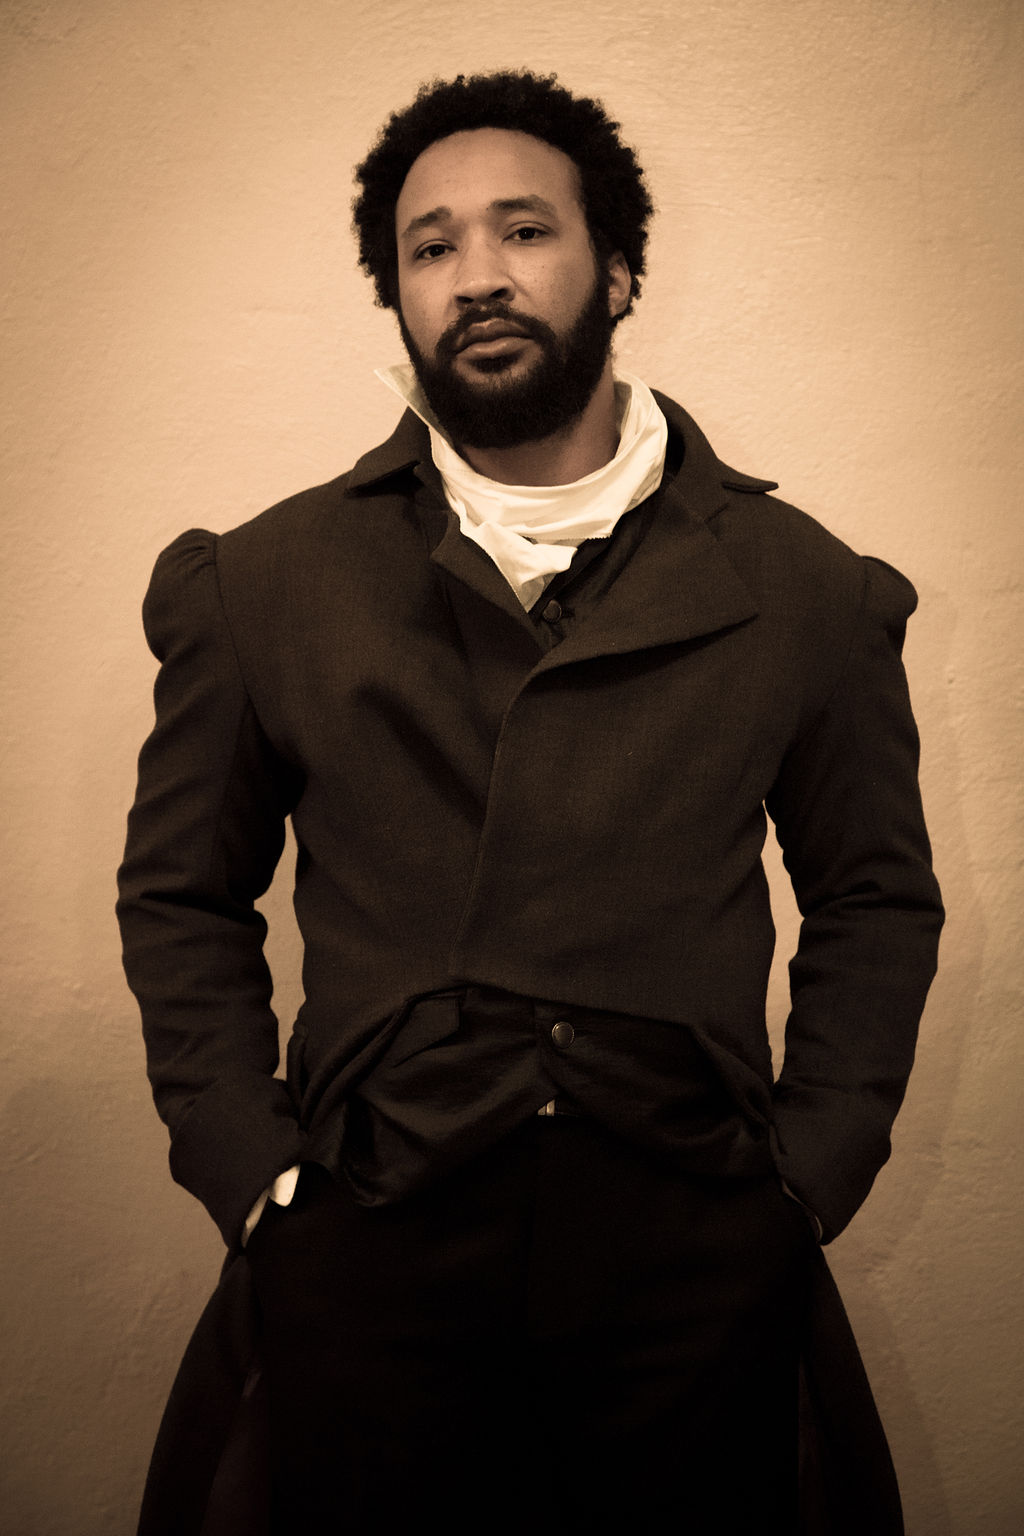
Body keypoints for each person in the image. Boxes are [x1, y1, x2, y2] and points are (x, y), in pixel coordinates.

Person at [117, 70, 944, 1536]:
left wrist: (806, 1176)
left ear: (618, 266)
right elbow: (183, 893)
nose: (477, 277)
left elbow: (874, 895)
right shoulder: (267, 583)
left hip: (691, 1246)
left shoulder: (799, 584)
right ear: (397, 298)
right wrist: (253, 1173)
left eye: (522, 231)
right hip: (371, 1242)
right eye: (431, 248)